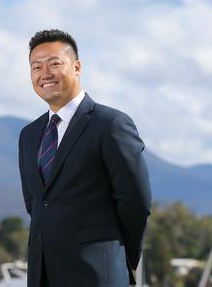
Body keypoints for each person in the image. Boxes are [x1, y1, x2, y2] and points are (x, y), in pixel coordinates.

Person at [18, 29, 152, 286]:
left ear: (77, 67)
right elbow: (35, 205)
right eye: (36, 67)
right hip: (42, 275)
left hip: (98, 274)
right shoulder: (29, 135)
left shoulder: (111, 124)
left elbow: (136, 201)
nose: (45, 73)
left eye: (54, 63)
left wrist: (120, 258)